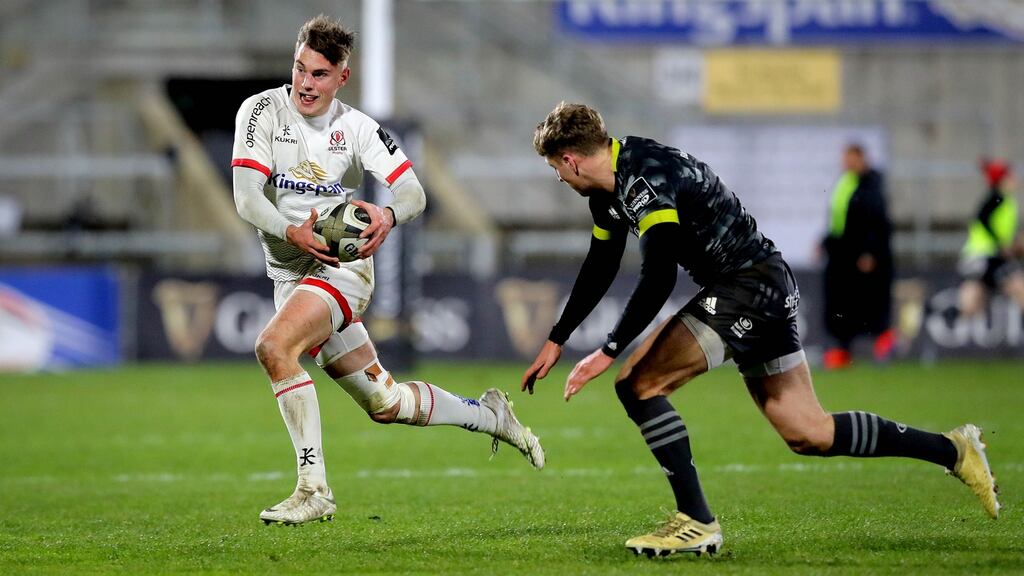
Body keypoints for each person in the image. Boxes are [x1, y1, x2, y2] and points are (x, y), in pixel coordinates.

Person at [521, 102, 998, 558]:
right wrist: (557, 338)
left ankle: (697, 522)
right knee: (810, 432)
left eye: (555, 169)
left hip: (746, 286)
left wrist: (608, 350)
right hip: (761, 284)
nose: (559, 178)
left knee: (638, 383)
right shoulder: (608, 193)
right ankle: (953, 449)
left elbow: (660, 272)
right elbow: (602, 262)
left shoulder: (645, 173)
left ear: (570, 159)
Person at [231, 15, 543, 526]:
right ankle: (490, 416)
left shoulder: (356, 128)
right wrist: (292, 233)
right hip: (290, 273)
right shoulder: (261, 110)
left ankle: (313, 490)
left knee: (273, 347)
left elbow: (413, 193)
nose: (305, 84)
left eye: (319, 75)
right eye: (299, 69)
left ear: (341, 78)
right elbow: (246, 198)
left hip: (342, 271)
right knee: (385, 401)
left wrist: (388, 214)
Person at [821, 144, 895, 369]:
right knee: (840, 302)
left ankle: (884, 343)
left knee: (868, 301)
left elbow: (876, 222)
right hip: (842, 256)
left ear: (862, 159)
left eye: (852, 158)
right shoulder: (845, 182)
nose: (847, 162)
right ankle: (842, 349)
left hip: (860, 256)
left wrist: (869, 252)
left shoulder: (871, 186)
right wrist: (825, 242)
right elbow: (839, 220)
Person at [958, 159, 1024, 316]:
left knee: (974, 304)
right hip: (982, 256)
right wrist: (1000, 244)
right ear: (1002, 181)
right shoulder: (997, 198)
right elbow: (983, 217)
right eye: (1010, 176)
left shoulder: (1006, 202)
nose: (1015, 179)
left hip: (990, 257)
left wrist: (1012, 244)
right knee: (1019, 287)